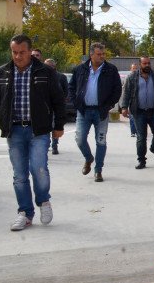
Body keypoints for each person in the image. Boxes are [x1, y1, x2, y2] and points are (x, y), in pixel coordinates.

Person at [0, 35, 65, 231]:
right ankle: (25, 213)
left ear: (30, 51)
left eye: (22, 52)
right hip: (14, 130)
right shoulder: (2, 73)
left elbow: (58, 99)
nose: (18, 56)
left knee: (39, 169)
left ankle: (43, 201)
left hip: (38, 130)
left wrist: (59, 125)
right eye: (14, 52)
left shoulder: (45, 72)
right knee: (20, 175)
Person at [68, 42, 122, 182]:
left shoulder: (111, 70)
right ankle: (88, 158)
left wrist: (109, 105)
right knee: (79, 139)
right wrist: (75, 102)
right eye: (99, 54)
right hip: (83, 111)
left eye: (103, 54)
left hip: (101, 112)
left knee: (101, 142)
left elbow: (117, 90)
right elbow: (72, 87)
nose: (102, 56)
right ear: (91, 55)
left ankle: (98, 170)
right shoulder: (80, 69)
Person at [120, 56, 154, 169]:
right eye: (144, 63)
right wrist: (124, 107)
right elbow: (126, 93)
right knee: (141, 137)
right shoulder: (132, 77)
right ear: (140, 64)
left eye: (149, 63)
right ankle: (141, 160)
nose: (147, 65)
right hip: (138, 112)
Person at [43, 58, 68, 155]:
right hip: (44, 107)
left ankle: (54, 145)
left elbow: (66, 91)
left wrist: (60, 102)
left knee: (55, 126)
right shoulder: (42, 77)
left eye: (49, 66)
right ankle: (46, 145)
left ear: (54, 67)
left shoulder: (61, 77)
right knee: (45, 127)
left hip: (55, 106)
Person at [128, 63, 138, 138]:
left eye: (135, 68)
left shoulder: (139, 77)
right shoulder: (128, 78)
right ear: (131, 69)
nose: (134, 70)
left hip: (137, 101)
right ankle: (133, 131)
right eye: (133, 68)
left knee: (137, 117)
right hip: (130, 100)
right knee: (131, 117)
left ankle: (138, 131)